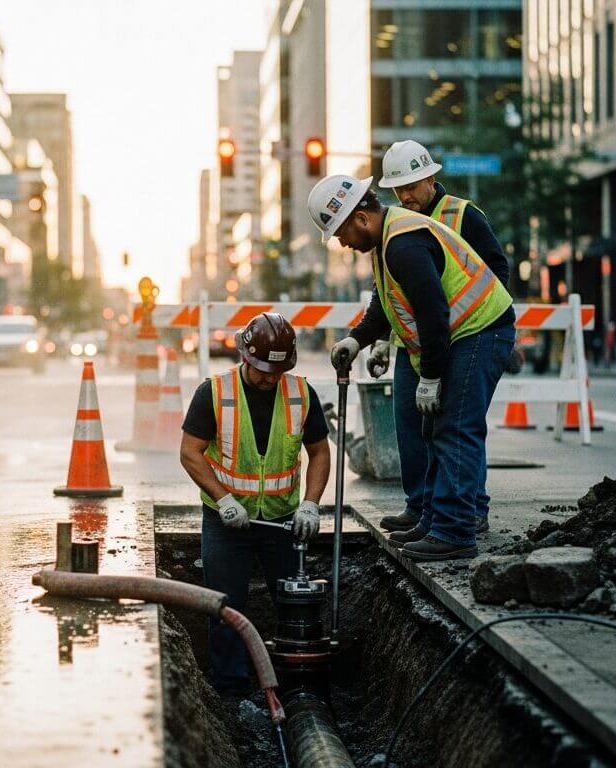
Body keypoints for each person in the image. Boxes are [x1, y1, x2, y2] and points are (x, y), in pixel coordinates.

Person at [311, 174, 515, 561]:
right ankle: (435, 521)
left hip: (481, 330)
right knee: (436, 427)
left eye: (341, 233)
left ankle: (455, 532)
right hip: (464, 333)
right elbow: (386, 304)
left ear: (361, 217)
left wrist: (431, 378)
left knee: (455, 428)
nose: (343, 243)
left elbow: (434, 315)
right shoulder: (388, 241)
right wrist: (357, 339)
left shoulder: (403, 243)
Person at [179, 312, 330, 693]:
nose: (268, 378)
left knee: (294, 608)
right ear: (245, 356)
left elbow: (320, 452)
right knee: (226, 607)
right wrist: (224, 499)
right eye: (262, 369)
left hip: (282, 521)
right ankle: (231, 690)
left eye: (276, 371)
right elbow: (190, 453)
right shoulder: (213, 393)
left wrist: (310, 504)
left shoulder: (299, 393)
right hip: (226, 521)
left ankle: (295, 687)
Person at [372, 140, 516, 536]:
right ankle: (421, 507)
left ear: (431, 178)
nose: (405, 195)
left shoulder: (463, 215)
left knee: (457, 425)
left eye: (412, 186)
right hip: (418, 344)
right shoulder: (397, 223)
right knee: (413, 426)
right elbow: (387, 287)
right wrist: (381, 337)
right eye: (398, 189)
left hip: (464, 336)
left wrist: (487, 323)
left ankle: (470, 509)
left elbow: (496, 269)